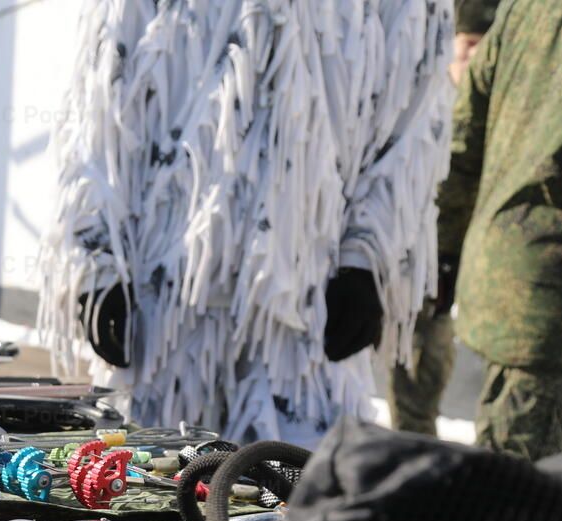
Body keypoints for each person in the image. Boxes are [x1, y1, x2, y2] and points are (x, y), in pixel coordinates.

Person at [39, 2, 454, 445]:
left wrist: (367, 258)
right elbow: (101, 98)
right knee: (153, 471)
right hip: (163, 319)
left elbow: (415, 107)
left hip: (306, 312)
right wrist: (98, 258)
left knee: (293, 476)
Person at [438, 0, 562, 460]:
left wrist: (445, 252)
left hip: (512, 284)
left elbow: (463, 141)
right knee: (524, 492)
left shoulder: (525, 9)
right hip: (553, 313)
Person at [388, 0, 500, 437]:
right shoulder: (423, 102)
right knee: (417, 381)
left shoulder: (497, 107)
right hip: (421, 275)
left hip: (472, 271)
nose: (475, 55)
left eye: (485, 44)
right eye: (468, 43)